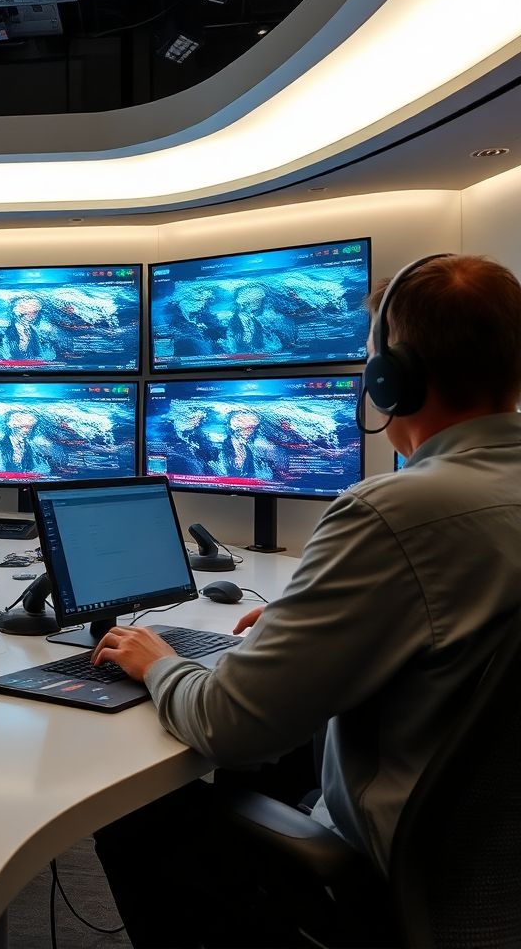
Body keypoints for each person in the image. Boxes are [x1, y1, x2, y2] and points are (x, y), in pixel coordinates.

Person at [90, 254, 521, 947]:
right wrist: (314, 625)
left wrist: (158, 662)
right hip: (496, 874)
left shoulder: (391, 513)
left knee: (136, 814)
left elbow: (227, 724)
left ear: (390, 379)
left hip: (405, 886)